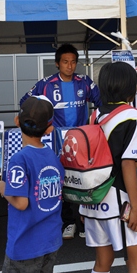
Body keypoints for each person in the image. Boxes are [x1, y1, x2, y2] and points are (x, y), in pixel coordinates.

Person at [21, 43, 101, 239]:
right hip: (57, 142)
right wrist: (43, 124)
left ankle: (85, 221)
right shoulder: (46, 84)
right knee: (61, 180)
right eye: (65, 62)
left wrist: (94, 124)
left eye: (73, 62)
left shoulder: (84, 82)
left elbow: (101, 103)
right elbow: (26, 103)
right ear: (57, 63)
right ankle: (68, 222)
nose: (69, 66)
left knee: (83, 180)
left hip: (82, 141)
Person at [79, 61, 137, 273]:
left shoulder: (95, 115)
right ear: (130, 86)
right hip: (120, 201)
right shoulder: (133, 116)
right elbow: (128, 164)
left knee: (102, 261)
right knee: (136, 263)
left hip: (93, 199)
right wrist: (136, 207)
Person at [0, 95, 64, 273]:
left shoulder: (19, 159)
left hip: (25, 244)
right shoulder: (52, 156)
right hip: (50, 240)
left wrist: (3, 188)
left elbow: (21, 203)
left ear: (16, 121)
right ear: (49, 129)